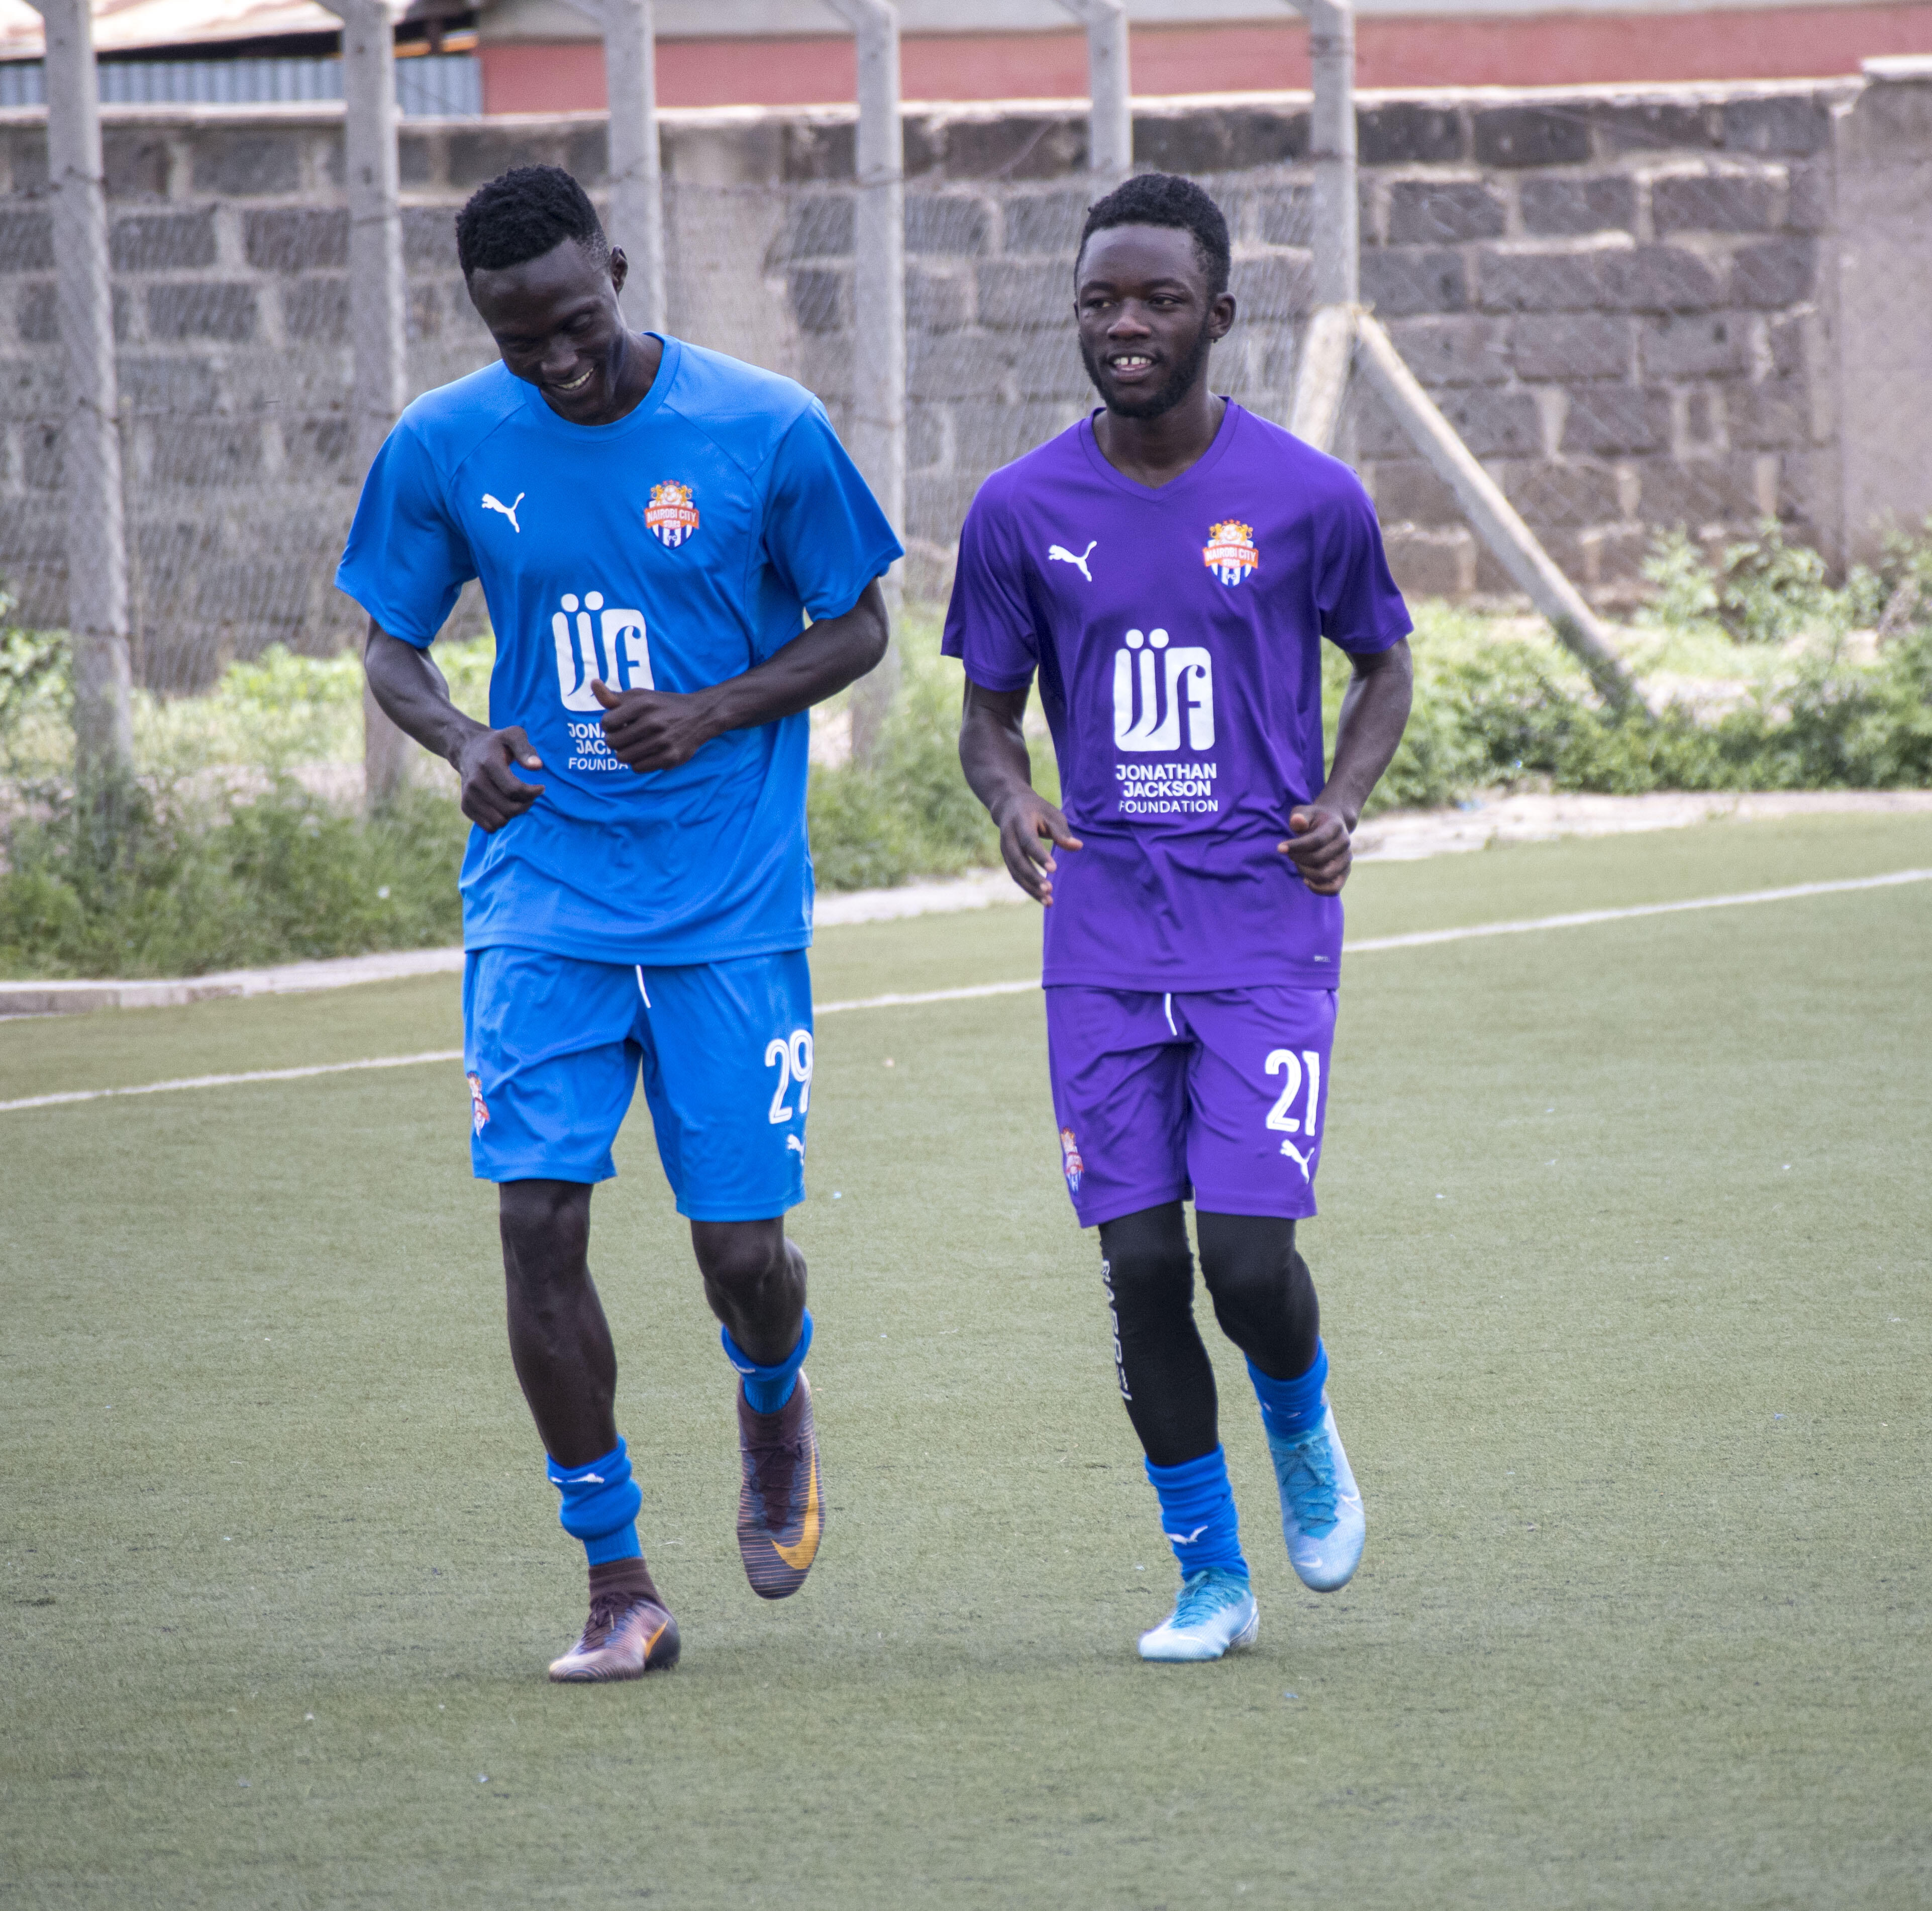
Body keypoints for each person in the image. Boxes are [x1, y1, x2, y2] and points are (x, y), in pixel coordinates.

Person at [336, 165, 901, 1682]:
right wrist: (460, 739)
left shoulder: (762, 425)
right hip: (544, 898)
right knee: (537, 1220)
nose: (554, 360)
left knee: (739, 1252)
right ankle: (617, 1580)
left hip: (724, 906)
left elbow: (860, 623)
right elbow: (390, 646)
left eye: (576, 322)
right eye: (520, 339)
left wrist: (713, 708)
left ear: (621, 269)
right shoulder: (447, 442)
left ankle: (773, 1387)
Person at [945, 172, 1414, 1663]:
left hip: (1264, 929)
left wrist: (1340, 800)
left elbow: (1385, 666)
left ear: (1221, 313)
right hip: (1099, 941)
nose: (1127, 325)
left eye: (1156, 300)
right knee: (1142, 1262)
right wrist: (1014, 803)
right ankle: (1211, 1577)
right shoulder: (1020, 509)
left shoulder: (1306, 499)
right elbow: (987, 719)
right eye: (1101, 301)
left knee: (1248, 1267)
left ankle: (1302, 1413)